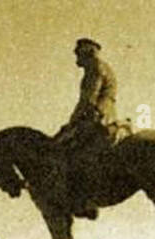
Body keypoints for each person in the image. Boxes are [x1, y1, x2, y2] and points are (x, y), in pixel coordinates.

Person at [54, 38, 119, 220]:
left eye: (78, 53)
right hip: (102, 113)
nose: (76, 56)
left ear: (87, 52)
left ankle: (83, 201)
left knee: (67, 150)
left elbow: (88, 100)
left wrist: (72, 122)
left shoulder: (95, 67)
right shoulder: (100, 67)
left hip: (98, 116)